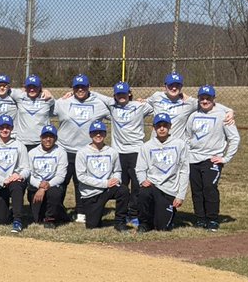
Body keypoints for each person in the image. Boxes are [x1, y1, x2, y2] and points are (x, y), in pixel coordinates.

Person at [53, 74, 112, 222]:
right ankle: (58, 211)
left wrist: (96, 94)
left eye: (83, 87)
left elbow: (114, 107)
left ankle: (81, 212)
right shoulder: (63, 102)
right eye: (77, 87)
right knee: (61, 182)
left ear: (88, 88)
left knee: (82, 182)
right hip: (64, 149)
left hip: (85, 151)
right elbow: (44, 109)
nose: (80, 90)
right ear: (72, 89)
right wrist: (46, 94)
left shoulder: (98, 104)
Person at [186, 85, 241, 231]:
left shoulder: (223, 116)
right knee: (196, 190)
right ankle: (200, 218)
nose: (205, 101)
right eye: (202, 98)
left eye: (208, 98)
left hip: (212, 159)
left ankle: (212, 219)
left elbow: (234, 138)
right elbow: (187, 137)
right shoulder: (193, 116)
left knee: (209, 188)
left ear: (213, 99)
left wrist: (225, 158)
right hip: (193, 159)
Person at [135, 114, 189, 233]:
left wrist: (180, 195)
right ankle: (144, 223)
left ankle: (161, 214)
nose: (162, 128)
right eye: (159, 126)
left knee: (162, 227)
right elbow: (140, 168)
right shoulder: (146, 146)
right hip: (153, 186)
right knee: (144, 193)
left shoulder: (180, 144)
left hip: (170, 190)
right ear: (154, 128)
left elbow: (185, 171)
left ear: (170, 126)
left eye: (165, 125)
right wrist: (142, 180)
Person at [74, 120, 130, 231]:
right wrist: (105, 183)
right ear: (90, 135)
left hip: (108, 189)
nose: (98, 135)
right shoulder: (82, 153)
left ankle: (120, 222)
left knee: (123, 190)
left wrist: (116, 179)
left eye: (101, 132)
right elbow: (81, 177)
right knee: (93, 225)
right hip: (91, 192)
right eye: (95, 132)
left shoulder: (112, 152)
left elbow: (117, 171)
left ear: (105, 134)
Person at [109, 81, 151, 227]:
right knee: (122, 185)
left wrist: (145, 100)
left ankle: (134, 213)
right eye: (118, 94)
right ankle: (122, 213)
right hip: (118, 152)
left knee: (137, 184)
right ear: (114, 95)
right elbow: (94, 96)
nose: (121, 96)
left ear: (130, 94)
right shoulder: (111, 107)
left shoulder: (139, 107)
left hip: (136, 151)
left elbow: (158, 104)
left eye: (124, 93)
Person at [0, 114, 30, 232]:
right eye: (2, 127)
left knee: (17, 185)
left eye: (7, 127)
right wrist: (3, 180)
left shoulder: (20, 145)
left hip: (14, 182)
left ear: (12, 129)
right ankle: (4, 210)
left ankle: (17, 220)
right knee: (1, 220)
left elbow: (26, 169)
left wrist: (19, 176)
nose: (5, 130)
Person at [26, 124, 68, 228]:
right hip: (36, 187)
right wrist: (39, 185)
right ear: (40, 138)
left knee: (55, 193)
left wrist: (44, 187)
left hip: (53, 186)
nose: (48, 139)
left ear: (56, 138)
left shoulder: (61, 152)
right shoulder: (32, 153)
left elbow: (61, 176)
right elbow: (28, 174)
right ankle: (60, 211)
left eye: (51, 137)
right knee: (38, 219)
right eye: (45, 137)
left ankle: (50, 219)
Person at [12, 74, 55, 150]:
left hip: (41, 142)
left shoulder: (48, 99)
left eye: (35, 87)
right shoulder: (19, 96)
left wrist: (70, 93)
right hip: (22, 141)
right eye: (29, 87)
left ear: (40, 87)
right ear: (25, 87)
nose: (32, 89)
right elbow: (3, 88)